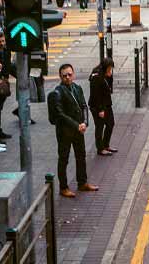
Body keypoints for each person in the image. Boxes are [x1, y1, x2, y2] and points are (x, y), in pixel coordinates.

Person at [48, 63, 99, 198]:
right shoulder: (57, 93)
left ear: (73, 74)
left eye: (70, 74)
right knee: (63, 159)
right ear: (60, 77)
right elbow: (60, 114)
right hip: (64, 132)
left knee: (81, 156)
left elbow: (84, 106)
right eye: (64, 75)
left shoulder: (77, 88)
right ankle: (63, 187)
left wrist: (85, 123)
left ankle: (82, 183)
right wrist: (77, 125)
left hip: (78, 130)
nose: (68, 77)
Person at [88, 58, 117, 156]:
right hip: (97, 106)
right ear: (104, 67)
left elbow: (109, 87)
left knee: (110, 124)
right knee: (99, 127)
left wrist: (109, 76)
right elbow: (95, 95)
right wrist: (100, 109)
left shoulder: (105, 75)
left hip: (107, 104)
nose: (110, 70)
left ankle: (106, 145)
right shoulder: (96, 77)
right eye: (109, 68)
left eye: (111, 69)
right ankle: (100, 149)